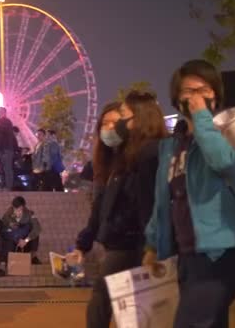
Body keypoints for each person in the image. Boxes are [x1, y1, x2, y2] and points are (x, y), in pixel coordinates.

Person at [143, 60, 235, 327]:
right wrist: (152, 244)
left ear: (215, 95)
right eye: (188, 91)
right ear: (176, 98)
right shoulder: (171, 147)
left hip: (225, 249)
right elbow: (163, 200)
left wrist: (203, 119)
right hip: (189, 253)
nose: (196, 96)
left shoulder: (231, 131)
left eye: (203, 89)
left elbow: (222, 161)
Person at [69, 92, 168, 328]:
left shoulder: (141, 157)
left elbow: (148, 203)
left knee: (106, 304)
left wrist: (150, 245)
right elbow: (99, 209)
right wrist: (84, 244)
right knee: (127, 310)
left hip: (131, 244)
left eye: (119, 119)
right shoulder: (111, 163)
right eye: (105, 124)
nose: (112, 128)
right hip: (122, 243)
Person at [0, 196, 42, 277]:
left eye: (20, 209)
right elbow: (3, 231)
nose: (18, 212)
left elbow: (37, 228)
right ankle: (2, 267)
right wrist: (17, 239)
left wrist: (26, 240)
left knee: (35, 234)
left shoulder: (29, 214)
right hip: (12, 243)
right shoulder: (7, 215)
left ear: (23, 207)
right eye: (15, 209)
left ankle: (33, 256)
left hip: (25, 244)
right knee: (6, 241)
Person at [0, 107, 16, 190]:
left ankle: (8, 186)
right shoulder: (0, 123)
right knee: (3, 168)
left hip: (6, 149)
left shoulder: (7, 121)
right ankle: (4, 185)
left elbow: (5, 130)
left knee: (7, 168)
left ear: (4, 112)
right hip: (2, 149)